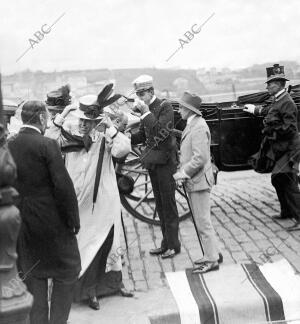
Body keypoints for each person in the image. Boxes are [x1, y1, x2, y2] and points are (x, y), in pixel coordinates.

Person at [46, 84, 132, 310]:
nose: (83, 125)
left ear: (96, 121)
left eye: (88, 121)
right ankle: (81, 290)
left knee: (106, 242)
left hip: (103, 199)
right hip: (77, 200)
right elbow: (47, 140)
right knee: (82, 242)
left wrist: (111, 127)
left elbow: (123, 150)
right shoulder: (67, 134)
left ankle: (104, 287)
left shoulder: (104, 136)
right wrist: (62, 115)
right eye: (81, 120)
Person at [8, 100, 81, 324]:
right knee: (68, 270)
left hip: (23, 224)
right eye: (47, 117)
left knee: (33, 277)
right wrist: (73, 220)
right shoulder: (47, 145)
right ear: (41, 119)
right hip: (52, 223)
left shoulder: (8, 146)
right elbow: (63, 187)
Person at [244, 64, 300, 231]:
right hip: (280, 147)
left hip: (289, 148)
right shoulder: (278, 99)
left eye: (270, 83)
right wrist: (257, 111)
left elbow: (290, 128)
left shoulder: (287, 102)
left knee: (287, 180)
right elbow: (270, 112)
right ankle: (287, 211)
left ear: (280, 84)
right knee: (277, 179)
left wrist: (271, 130)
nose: (267, 86)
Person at [130, 75, 180, 259]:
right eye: (138, 94)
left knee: (168, 205)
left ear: (151, 91)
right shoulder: (148, 110)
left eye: (142, 93)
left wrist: (145, 113)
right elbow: (143, 136)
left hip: (166, 163)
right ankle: (165, 243)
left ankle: (173, 245)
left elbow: (162, 132)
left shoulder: (164, 106)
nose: (140, 97)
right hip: (153, 162)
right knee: (160, 205)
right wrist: (122, 135)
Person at [173, 92, 220, 273]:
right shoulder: (192, 124)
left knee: (203, 222)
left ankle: (211, 260)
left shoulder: (198, 127)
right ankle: (212, 253)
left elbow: (200, 158)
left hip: (199, 181)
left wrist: (183, 173)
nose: (179, 111)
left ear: (188, 109)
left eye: (181, 108)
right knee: (202, 221)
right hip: (195, 180)